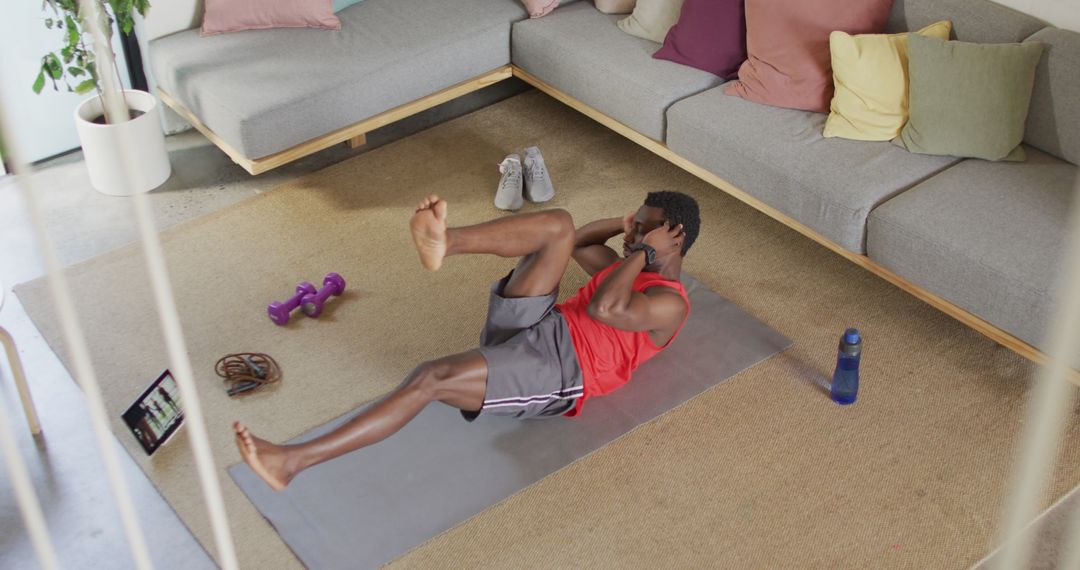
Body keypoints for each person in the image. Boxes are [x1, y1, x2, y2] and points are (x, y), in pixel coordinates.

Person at [234, 190, 702, 491]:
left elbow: (606, 308)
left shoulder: (669, 303)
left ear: (673, 243)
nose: (632, 236)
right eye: (636, 224)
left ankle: (292, 463)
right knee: (558, 223)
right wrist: (627, 230)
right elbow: (577, 243)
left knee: (431, 377)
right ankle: (446, 242)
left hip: (560, 369)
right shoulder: (628, 266)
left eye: (644, 228)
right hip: (540, 323)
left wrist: (641, 249)